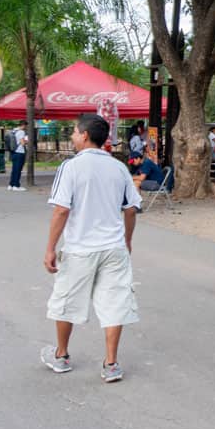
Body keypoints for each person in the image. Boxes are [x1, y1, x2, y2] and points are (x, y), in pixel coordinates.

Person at [40, 113, 143, 383]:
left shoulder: (71, 167)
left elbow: (62, 210)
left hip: (80, 248)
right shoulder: (119, 168)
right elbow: (131, 209)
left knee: (67, 301)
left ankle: (61, 355)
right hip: (114, 248)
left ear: (84, 135)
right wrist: (127, 240)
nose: (73, 136)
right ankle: (111, 363)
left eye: (74, 131)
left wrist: (50, 247)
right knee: (114, 302)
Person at [8, 123, 28, 191]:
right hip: (20, 152)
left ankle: (11, 185)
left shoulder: (13, 131)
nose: (26, 127)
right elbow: (22, 143)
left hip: (13, 152)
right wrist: (26, 141)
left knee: (14, 169)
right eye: (26, 126)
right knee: (18, 170)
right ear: (23, 125)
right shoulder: (21, 132)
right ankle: (16, 185)